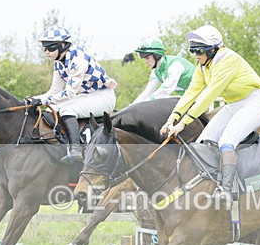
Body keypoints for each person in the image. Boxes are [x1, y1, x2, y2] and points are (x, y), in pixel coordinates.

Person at [161, 25, 260, 207]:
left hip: (253, 104)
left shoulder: (227, 59)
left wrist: (184, 123)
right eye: (192, 50)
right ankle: (211, 183)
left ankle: (227, 190)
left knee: (227, 141)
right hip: (233, 105)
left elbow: (209, 94)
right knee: (203, 142)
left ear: (212, 49)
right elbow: (191, 93)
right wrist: (172, 119)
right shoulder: (203, 66)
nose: (195, 55)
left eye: (199, 50)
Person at [25, 27, 118, 164]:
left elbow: (69, 93)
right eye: (44, 48)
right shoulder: (59, 62)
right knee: (54, 107)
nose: (46, 52)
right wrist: (35, 99)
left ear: (62, 45)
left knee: (67, 109)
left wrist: (42, 100)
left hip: (104, 97)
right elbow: (55, 91)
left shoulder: (77, 58)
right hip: (89, 95)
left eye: (50, 48)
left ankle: (76, 150)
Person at [131, 38, 195, 104]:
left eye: (147, 58)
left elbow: (164, 91)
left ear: (156, 55)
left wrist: (143, 103)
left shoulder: (175, 65)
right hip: (188, 97)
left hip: (201, 95)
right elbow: (148, 91)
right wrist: (132, 106)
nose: (146, 62)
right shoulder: (156, 71)